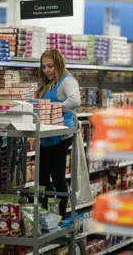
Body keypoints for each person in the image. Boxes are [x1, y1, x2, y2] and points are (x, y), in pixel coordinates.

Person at [35, 49, 81, 216]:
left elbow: (75, 100)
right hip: (46, 135)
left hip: (61, 136)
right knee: (43, 177)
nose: (46, 70)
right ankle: (45, 213)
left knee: (58, 176)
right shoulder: (48, 83)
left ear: (59, 65)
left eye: (50, 66)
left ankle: (60, 215)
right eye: (44, 66)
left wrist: (53, 108)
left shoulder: (67, 81)